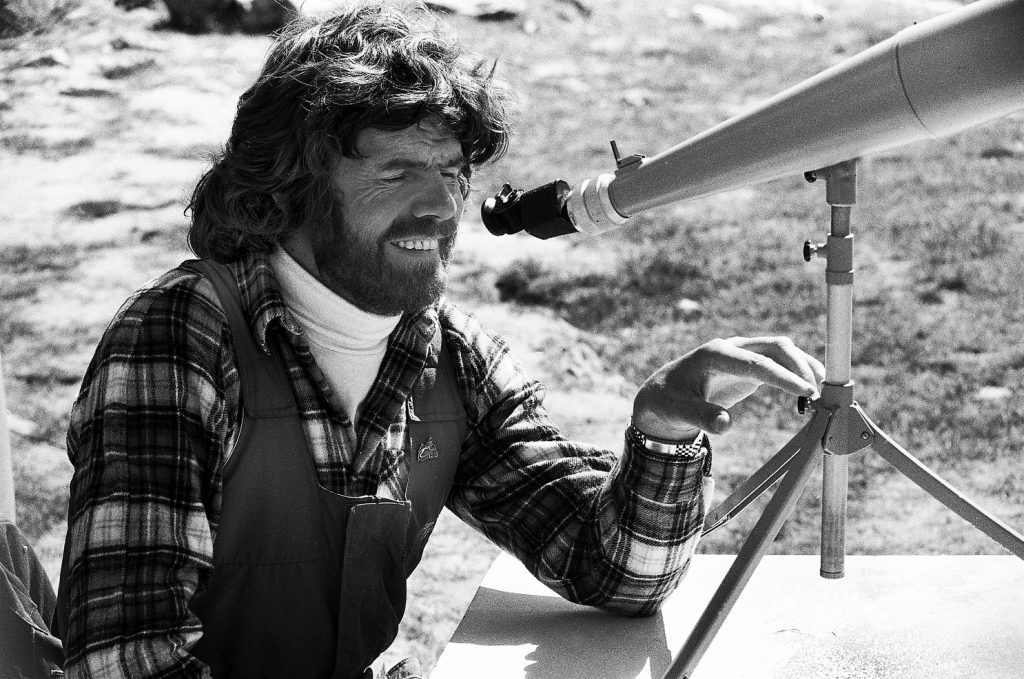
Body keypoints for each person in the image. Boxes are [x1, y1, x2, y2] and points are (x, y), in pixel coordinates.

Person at [18, 2, 826, 678]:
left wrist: (663, 432)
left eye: (451, 172)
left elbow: (610, 567)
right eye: (398, 171)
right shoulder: (180, 340)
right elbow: (127, 660)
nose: (442, 208)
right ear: (292, 184)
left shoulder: (447, 357)